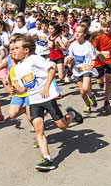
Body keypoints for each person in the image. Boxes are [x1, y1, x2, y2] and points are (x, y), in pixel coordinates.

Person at [12, 35, 83, 170]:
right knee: (39, 130)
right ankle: (47, 159)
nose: (14, 51)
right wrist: (14, 91)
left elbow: (52, 68)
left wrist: (46, 87)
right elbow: (24, 88)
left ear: (26, 50)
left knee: (62, 125)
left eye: (17, 48)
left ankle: (72, 113)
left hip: (47, 97)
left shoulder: (34, 59)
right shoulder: (18, 68)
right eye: (13, 48)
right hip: (33, 100)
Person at [65, 24, 98, 116]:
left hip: (87, 69)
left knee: (86, 88)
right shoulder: (72, 45)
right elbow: (69, 57)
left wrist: (91, 66)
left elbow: (94, 58)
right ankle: (88, 106)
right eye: (76, 32)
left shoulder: (88, 45)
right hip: (77, 70)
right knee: (82, 92)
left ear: (84, 34)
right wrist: (69, 60)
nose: (77, 34)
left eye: (80, 32)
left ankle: (91, 97)